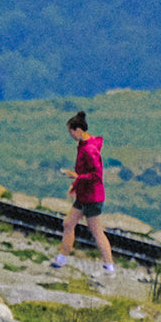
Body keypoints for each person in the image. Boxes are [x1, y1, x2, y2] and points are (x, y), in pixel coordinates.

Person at [58, 109, 117, 270]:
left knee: (96, 232)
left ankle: (109, 266)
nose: (70, 135)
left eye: (71, 131)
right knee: (69, 224)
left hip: (92, 198)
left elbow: (95, 175)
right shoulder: (84, 145)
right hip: (84, 195)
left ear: (78, 130)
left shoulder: (89, 150)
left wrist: (77, 178)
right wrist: (76, 186)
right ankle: (61, 259)